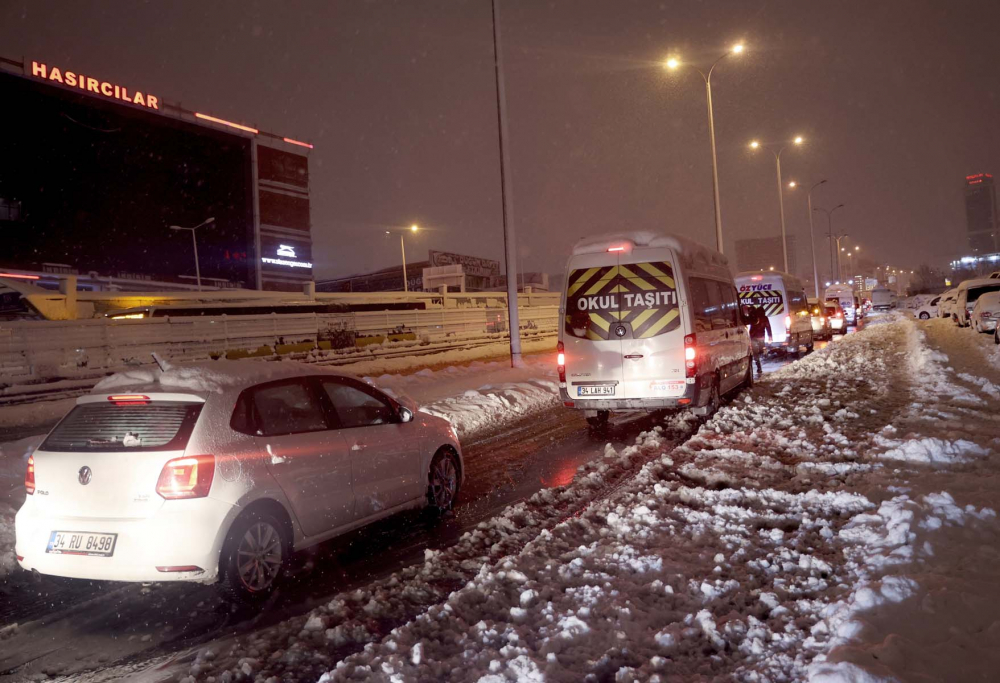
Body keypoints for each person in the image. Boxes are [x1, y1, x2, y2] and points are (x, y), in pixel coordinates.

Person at [748, 307, 772, 376]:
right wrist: (770, 336)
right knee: (759, 350)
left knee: (755, 352)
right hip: (760, 337)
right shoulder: (764, 318)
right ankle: (763, 353)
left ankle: (758, 366)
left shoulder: (754, 317)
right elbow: (768, 327)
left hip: (753, 337)